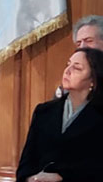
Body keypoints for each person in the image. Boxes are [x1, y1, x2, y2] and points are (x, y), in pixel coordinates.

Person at [17, 48, 103, 182]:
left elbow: (97, 168)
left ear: (93, 79)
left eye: (77, 68)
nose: (67, 71)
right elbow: (26, 162)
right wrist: (30, 178)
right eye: (67, 64)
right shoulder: (44, 111)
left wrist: (61, 176)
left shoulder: (99, 116)